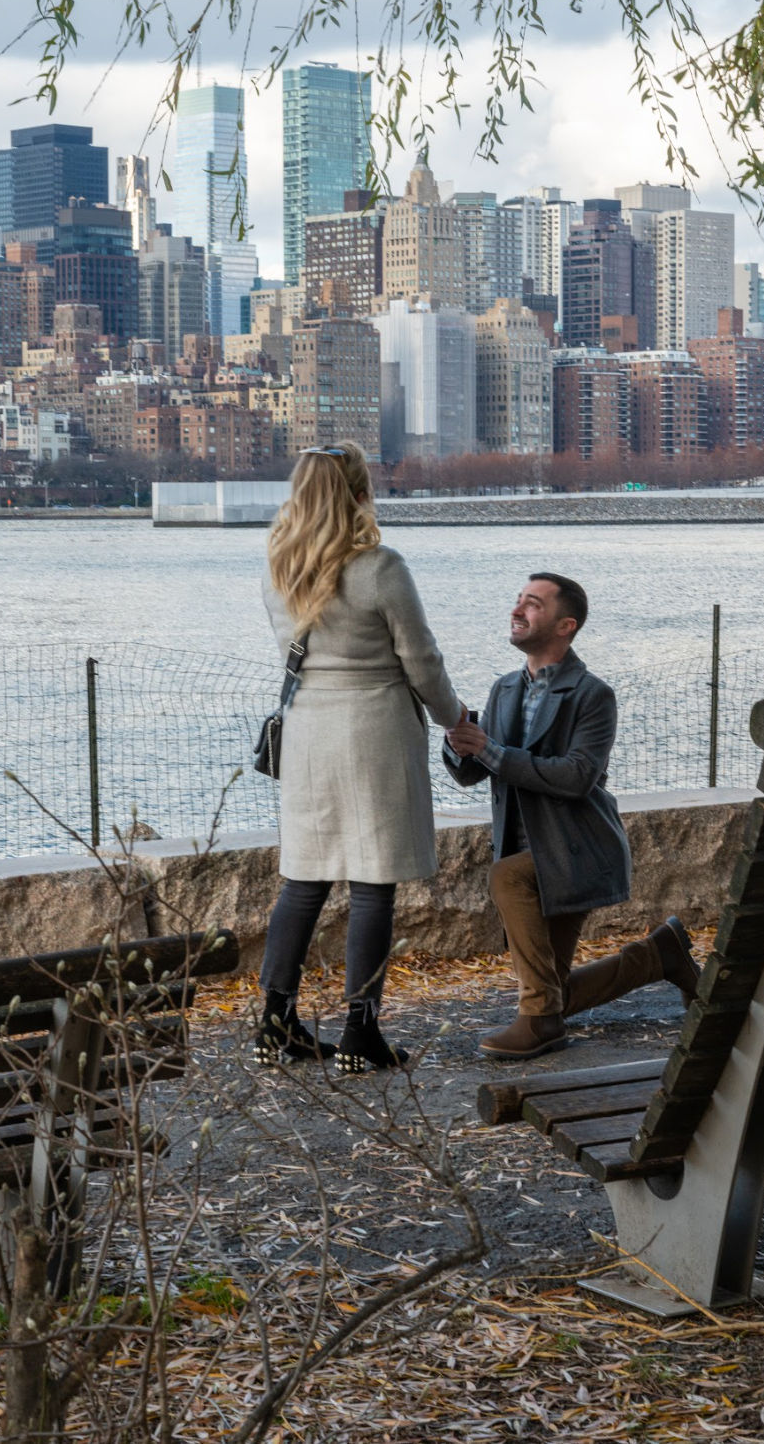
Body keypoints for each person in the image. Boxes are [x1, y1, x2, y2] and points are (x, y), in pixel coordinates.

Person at [256, 441, 466, 1072]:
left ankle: (275, 1022)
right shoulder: (380, 567)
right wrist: (455, 720)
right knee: (373, 883)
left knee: (305, 877)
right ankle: (359, 1031)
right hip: (373, 728)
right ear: (357, 492)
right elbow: (421, 660)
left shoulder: (278, 568)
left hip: (308, 731)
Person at [443, 573, 701, 1059]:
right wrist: (459, 740)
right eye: (518, 600)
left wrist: (492, 751)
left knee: (507, 879)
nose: (518, 610)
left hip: (575, 848)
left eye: (533, 604)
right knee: (552, 991)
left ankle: (539, 1022)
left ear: (566, 625)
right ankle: (659, 956)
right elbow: (472, 774)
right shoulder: (503, 690)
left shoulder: (591, 694)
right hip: (528, 848)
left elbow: (578, 776)